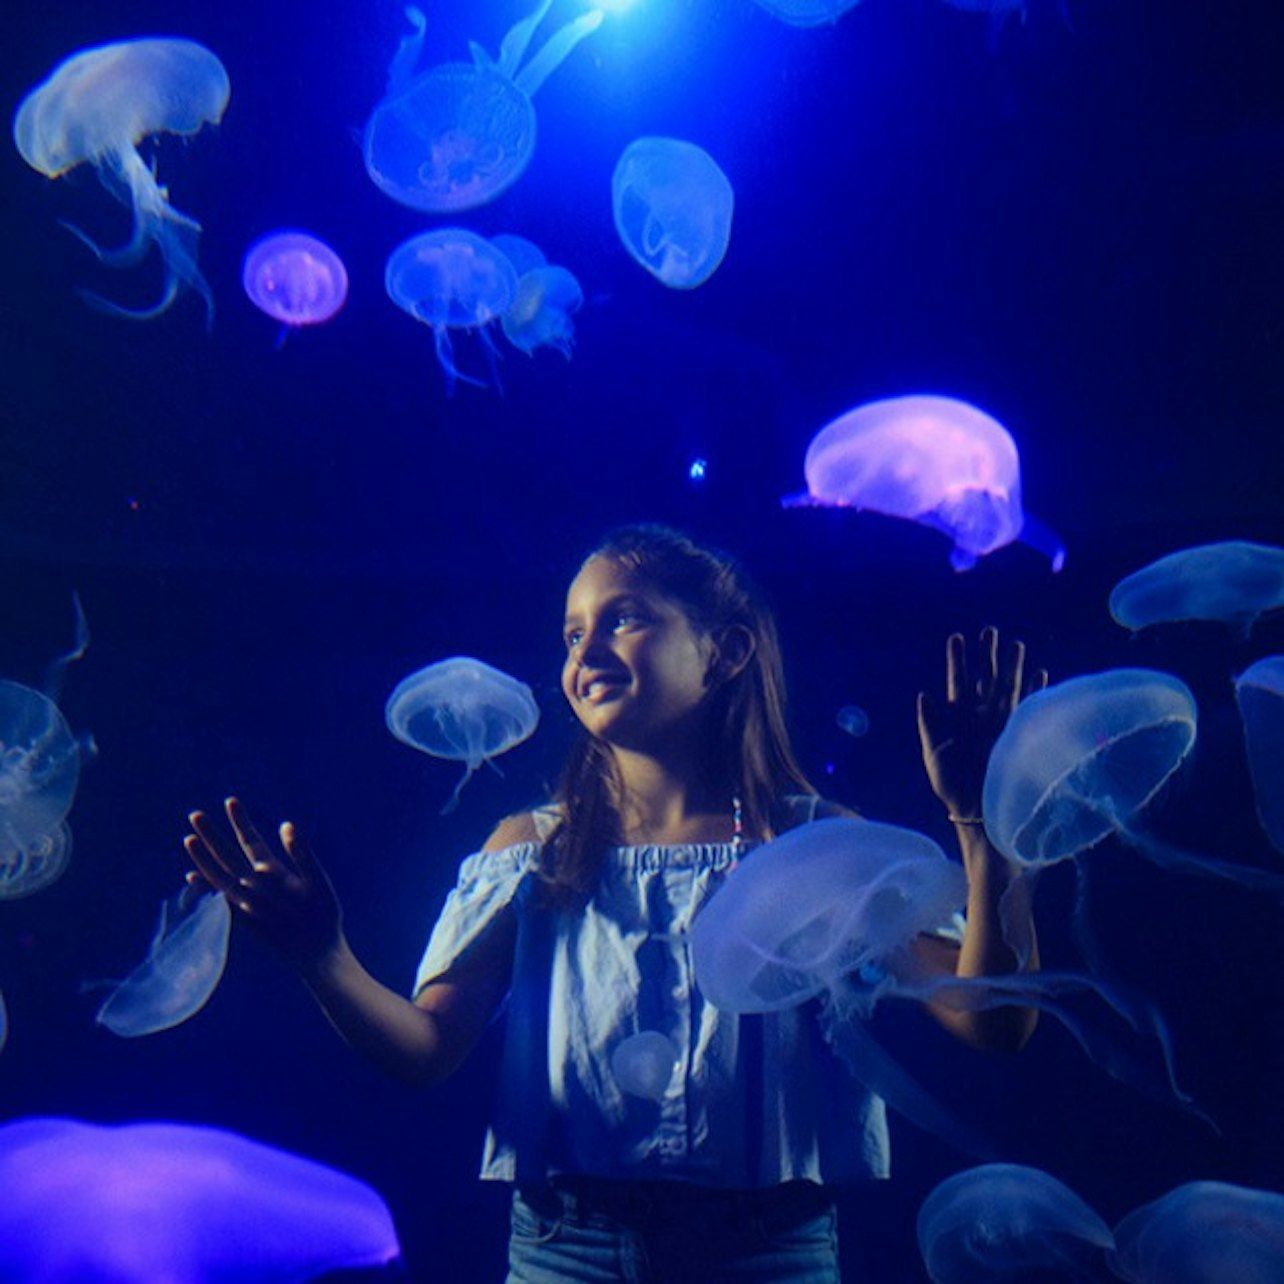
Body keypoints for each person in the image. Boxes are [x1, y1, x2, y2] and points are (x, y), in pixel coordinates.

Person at [185, 524, 1043, 1283]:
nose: (585, 650)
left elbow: (994, 1022)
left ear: (725, 652)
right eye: (572, 633)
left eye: (624, 619)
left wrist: (985, 823)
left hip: (766, 1254)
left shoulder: (815, 844)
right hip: (568, 1251)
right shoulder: (531, 848)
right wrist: (323, 958)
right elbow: (425, 1050)